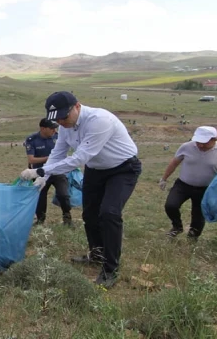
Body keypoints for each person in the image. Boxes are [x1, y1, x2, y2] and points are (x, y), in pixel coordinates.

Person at [19, 91, 141, 288]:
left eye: (64, 116)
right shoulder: (65, 126)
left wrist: (41, 170)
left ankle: (110, 269)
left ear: (77, 106)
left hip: (122, 169)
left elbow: (79, 158)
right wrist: (44, 177)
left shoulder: (99, 120)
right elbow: (58, 153)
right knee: (90, 214)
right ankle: (96, 254)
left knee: (109, 213)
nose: (61, 122)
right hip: (96, 169)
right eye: (56, 119)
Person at [159, 126, 217, 240]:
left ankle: (192, 238)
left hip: (205, 189)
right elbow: (174, 162)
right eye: (198, 142)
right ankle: (177, 227)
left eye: (204, 142)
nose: (200, 145)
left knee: (198, 216)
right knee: (171, 205)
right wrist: (164, 178)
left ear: (214, 139)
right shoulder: (186, 147)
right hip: (183, 185)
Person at [25, 119, 72, 226]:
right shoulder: (32, 139)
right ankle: (40, 221)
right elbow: (31, 160)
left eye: (55, 128)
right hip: (40, 173)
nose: (54, 130)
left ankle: (67, 219)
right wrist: (52, 158)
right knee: (41, 198)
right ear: (42, 128)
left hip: (57, 172)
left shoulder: (58, 136)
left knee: (64, 195)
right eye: (51, 128)